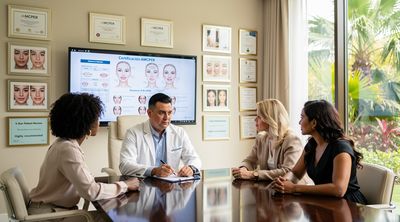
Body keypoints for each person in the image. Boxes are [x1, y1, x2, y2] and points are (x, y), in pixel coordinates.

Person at [28, 93, 139, 217]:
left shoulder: (62, 144)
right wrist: (126, 185)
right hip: (51, 216)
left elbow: (88, 185)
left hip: (51, 210)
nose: (98, 121)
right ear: (85, 123)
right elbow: (91, 191)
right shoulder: (68, 150)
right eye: (96, 117)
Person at [273, 100, 367, 204]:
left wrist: (294, 188)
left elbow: (339, 190)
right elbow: (295, 173)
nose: (300, 122)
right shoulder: (312, 145)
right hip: (325, 201)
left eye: (302, 117)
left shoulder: (341, 148)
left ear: (314, 123)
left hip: (348, 205)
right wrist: (283, 182)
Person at [120, 93, 201, 177]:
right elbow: (125, 165)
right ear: (149, 113)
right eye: (162, 113)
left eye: (169, 113)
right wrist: (154, 171)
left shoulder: (179, 132)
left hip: (170, 185)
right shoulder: (133, 133)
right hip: (144, 184)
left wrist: (191, 168)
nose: (166, 118)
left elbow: (194, 158)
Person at [232, 99, 308, 182]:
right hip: (270, 188)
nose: (255, 119)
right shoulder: (261, 138)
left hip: (292, 191)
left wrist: (253, 174)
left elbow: (288, 171)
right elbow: (250, 161)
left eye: (259, 117)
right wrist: (243, 169)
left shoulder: (292, 140)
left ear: (269, 118)